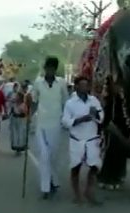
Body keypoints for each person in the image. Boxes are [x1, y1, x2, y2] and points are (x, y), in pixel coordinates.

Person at [61, 76, 104, 205]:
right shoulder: (70, 103)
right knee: (76, 166)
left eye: (87, 85)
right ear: (77, 87)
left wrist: (96, 115)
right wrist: (80, 120)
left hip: (91, 138)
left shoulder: (94, 100)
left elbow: (101, 116)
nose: (85, 87)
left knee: (95, 165)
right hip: (77, 139)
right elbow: (65, 121)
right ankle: (77, 194)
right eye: (82, 85)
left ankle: (89, 191)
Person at [32, 57, 70, 199]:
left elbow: (66, 102)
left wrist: (66, 120)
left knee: (53, 156)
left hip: (56, 123)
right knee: (44, 155)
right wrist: (29, 113)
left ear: (55, 69)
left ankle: (53, 180)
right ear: (45, 68)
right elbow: (34, 101)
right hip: (41, 123)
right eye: (48, 68)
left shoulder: (61, 83)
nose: (50, 70)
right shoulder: (38, 83)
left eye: (52, 68)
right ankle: (45, 188)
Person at [9, 83, 30, 154]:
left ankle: (20, 147)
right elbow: (10, 102)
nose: (16, 97)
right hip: (15, 119)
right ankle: (16, 147)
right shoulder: (15, 103)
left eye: (17, 97)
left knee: (21, 133)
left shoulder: (23, 104)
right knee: (15, 133)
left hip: (21, 119)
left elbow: (26, 112)